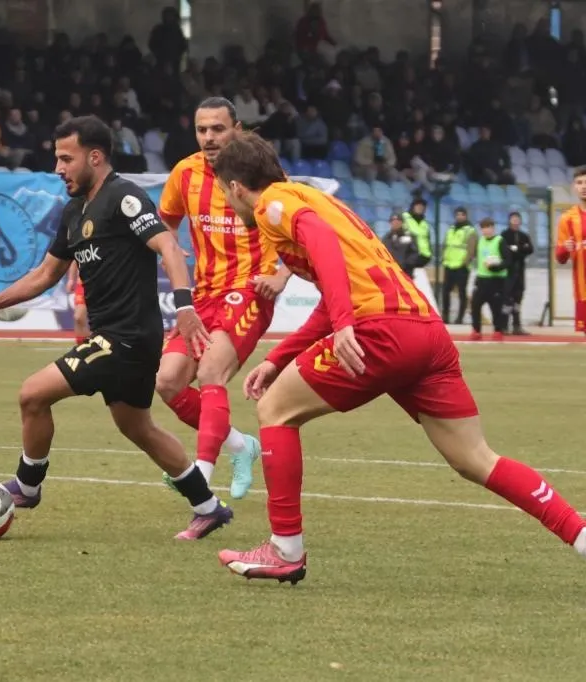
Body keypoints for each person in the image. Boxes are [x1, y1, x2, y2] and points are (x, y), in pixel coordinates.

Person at [208, 133, 586, 583]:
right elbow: (334, 287)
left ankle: (285, 549)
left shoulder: (273, 205)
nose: (228, 203)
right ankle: (580, 534)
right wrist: (279, 358)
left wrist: (345, 323)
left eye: (225, 194)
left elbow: (322, 244)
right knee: (475, 458)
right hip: (425, 332)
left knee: (275, 410)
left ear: (236, 187)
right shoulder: (317, 200)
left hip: (380, 330)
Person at [0, 116, 234, 540]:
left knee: (32, 394)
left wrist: (184, 307)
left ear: (95, 157)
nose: (58, 168)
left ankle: (27, 487)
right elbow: (46, 274)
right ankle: (209, 507)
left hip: (125, 338)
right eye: (57, 159)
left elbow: (168, 245)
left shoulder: (124, 197)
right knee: (136, 427)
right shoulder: (74, 211)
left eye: (65, 159)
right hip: (119, 338)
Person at [155, 97, 290, 499]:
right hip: (204, 295)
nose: (209, 137)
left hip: (250, 290)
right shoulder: (185, 173)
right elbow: (165, 222)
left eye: (218, 128)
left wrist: (282, 275)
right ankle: (239, 445)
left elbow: (300, 230)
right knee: (167, 382)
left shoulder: (262, 173)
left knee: (212, 370)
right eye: (202, 130)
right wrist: (168, 248)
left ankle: (201, 474)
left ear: (237, 129)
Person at [556, 167, 586, 335]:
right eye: (579, 183)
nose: (584, 187)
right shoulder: (567, 218)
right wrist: (565, 249)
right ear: (574, 187)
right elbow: (560, 258)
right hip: (583, 289)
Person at [469, 218, 510, 341]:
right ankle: (476, 330)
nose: (485, 231)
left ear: (493, 228)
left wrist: (495, 266)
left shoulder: (500, 241)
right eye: (483, 228)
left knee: (496, 307)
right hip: (482, 279)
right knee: (475, 305)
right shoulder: (480, 241)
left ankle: (498, 331)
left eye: (488, 228)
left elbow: (508, 261)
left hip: (496, 280)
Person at [440, 207, 477, 324]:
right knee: (446, 291)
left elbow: (472, 249)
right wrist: (444, 258)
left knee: (461, 292)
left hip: (462, 266)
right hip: (449, 264)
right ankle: (445, 315)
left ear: (465, 216)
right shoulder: (450, 229)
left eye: (462, 215)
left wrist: (465, 262)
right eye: (458, 215)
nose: (459, 217)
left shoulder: (470, 230)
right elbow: (445, 244)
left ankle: (460, 317)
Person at [500, 211, 534, 335]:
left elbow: (529, 249)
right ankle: (503, 326)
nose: (515, 222)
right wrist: (519, 250)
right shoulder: (504, 235)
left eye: (517, 219)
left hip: (520, 272)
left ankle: (517, 326)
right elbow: (505, 251)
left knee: (518, 299)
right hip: (508, 272)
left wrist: (517, 249)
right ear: (509, 221)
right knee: (507, 300)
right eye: (513, 219)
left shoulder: (523, 236)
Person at [381, 212, 420, 278]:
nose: (395, 223)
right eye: (393, 221)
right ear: (390, 223)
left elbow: (415, 253)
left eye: (398, 221)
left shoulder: (409, 236)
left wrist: (406, 264)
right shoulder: (386, 238)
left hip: (406, 273)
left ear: (402, 222)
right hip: (390, 274)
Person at [66, 262, 88, 344]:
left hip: (105, 282)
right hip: (83, 282)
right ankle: (82, 346)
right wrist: (71, 279)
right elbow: (75, 260)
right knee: (78, 317)